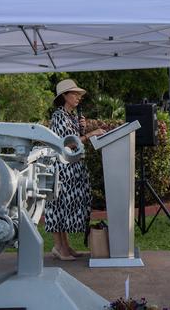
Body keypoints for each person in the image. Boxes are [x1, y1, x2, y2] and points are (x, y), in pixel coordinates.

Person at [46, 79, 106, 261]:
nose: (78, 97)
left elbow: (75, 138)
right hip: (62, 167)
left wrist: (83, 128)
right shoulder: (59, 116)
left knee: (66, 207)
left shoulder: (71, 116)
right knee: (57, 206)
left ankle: (65, 246)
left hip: (73, 167)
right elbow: (67, 143)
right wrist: (90, 134)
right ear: (64, 96)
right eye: (74, 94)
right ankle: (58, 246)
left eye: (79, 95)